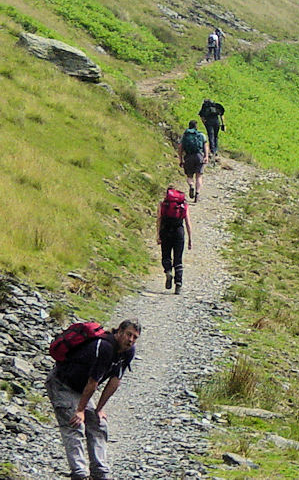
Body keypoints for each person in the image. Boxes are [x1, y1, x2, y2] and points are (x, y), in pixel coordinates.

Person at [45, 319, 141, 480]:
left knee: (98, 424)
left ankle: (100, 472)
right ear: (119, 332)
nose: (130, 340)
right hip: (62, 384)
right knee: (75, 424)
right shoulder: (104, 347)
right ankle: (79, 474)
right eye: (128, 334)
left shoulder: (128, 351)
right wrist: (80, 410)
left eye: (135, 337)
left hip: (81, 389)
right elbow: (93, 382)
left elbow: (115, 381)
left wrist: (99, 409)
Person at [156, 186, 192, 294]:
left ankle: (168, 271)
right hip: (179, 232)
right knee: (178, 258)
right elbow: (188, 223)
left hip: (165, 231)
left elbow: (159, 219)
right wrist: (190, 238)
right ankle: (178, 284)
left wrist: (158, 235)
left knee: (166, 255)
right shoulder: (183, 205)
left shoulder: (162, 204)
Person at [178, 120, 209, 202]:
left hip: (188, 157)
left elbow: (180, 148)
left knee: (189, 176)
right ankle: (197, 194)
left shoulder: (185, 136)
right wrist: (206, 156)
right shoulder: (201, 135)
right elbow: (205, 146)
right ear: (196, 127)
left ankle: (191, 185)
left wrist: (181, 159)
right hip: (199, 156)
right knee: (199, 176)